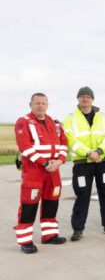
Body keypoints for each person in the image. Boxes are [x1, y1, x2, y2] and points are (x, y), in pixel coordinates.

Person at [63, 87, 105, 242]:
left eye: (88, 97)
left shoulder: (102, 116)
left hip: (102, 161)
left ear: (92, 99)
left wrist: (100, 151)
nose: (85, 99)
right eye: (82, 97)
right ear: (78, 99)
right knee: (82, 195)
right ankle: (78, 228)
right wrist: (89, 153)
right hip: (82, 163)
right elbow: (70, 140)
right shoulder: (70, 118)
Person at [14, 93, 68, 254]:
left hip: (54, 170)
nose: (40, 106)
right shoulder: (23, 121)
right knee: (29, 205)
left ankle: (49, 235)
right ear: (30, 104)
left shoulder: (56, 123)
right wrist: (44, 163)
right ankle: (25, 241)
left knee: (52, 202)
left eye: (43, 103)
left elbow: (64, 143)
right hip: (34, 171)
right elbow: (25, 147)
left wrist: (60, 161)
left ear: (47, 105)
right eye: (37, 103)